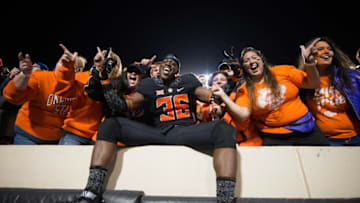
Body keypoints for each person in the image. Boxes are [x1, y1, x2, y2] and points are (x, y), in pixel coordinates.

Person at [71, 54, 238, 203]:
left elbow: (208, 96)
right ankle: (92, 191)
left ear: (177, 71)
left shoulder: (188, 80)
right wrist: (104, 80)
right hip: (156, 132)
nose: (167, 64)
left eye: (172, 63)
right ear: (158, 67)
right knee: (110, 124)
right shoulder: (148, 84)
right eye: (165, 62)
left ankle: (224, 198)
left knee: (224, 129)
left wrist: (218, 94)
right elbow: (122, 105)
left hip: (183, 131)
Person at [212, 41, 329, 146]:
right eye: (246, 61)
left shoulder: (283, 71)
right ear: (244, 68)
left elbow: (313, 83)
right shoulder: (244, 89)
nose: (251, 61)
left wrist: (310, 64)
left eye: (255, 58)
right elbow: (243, 115)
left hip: (307, 130)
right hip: (274, 137)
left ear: (262, 61)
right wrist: (223, 96)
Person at [2, 45, 78, 144]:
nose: (65, 66)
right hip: (28, 134)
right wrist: (24, 75)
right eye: (62, 62)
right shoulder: (40, 78)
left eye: (70, 64)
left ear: (75, 71)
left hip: (56, 139)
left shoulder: (78, 85)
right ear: (55, 65)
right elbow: (12, 96)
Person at [298, 37, 360, 146]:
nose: (326, 51)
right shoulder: (303, 82)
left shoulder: (351, 77)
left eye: (329, 49)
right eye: (320, 49)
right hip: (327, 141)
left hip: (356, 138)